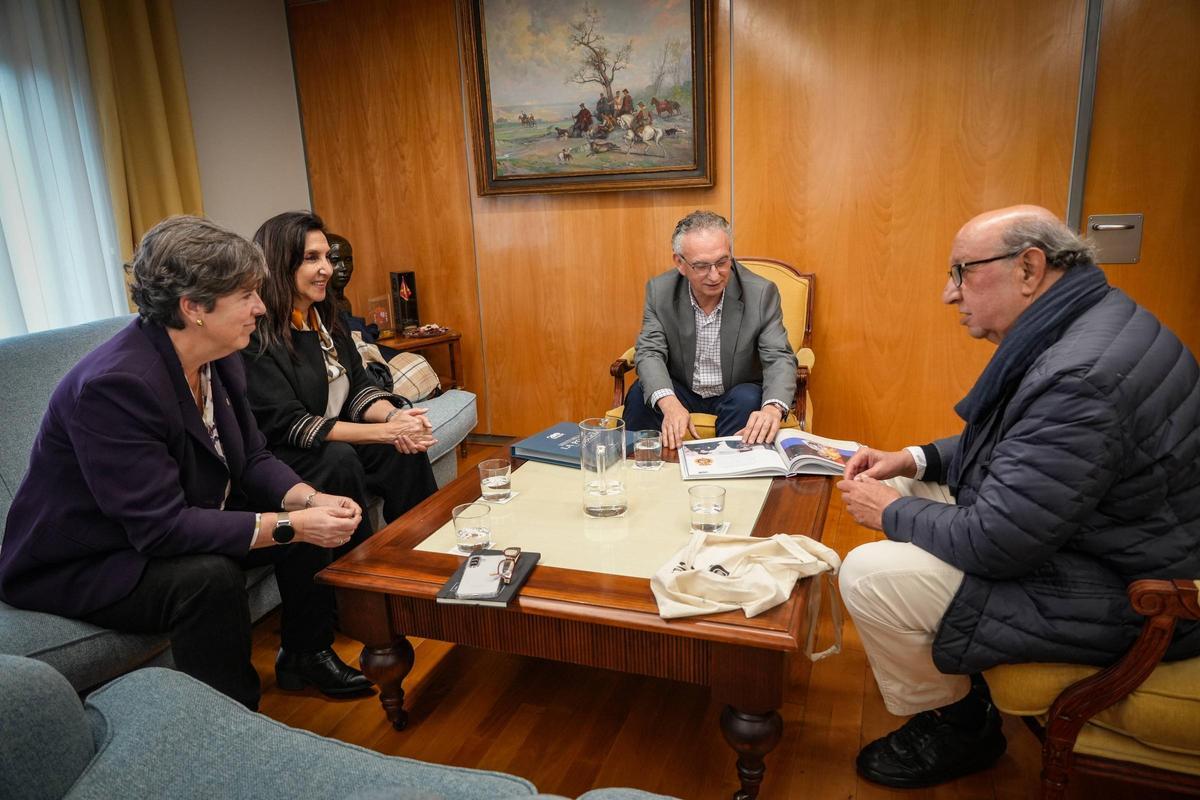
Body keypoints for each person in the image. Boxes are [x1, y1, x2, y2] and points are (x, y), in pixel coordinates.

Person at [836, 205, 1200, 788]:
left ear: (1029, 268)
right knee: (897, 484)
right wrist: (913, 459)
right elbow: (1025, 443)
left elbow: (999, 544)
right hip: (1103, 543)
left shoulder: (1081, 375)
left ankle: (959, 725)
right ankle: (961, 681)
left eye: (961, 272)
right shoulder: (1087, 323)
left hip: (1138, 593)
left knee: (869, 573)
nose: (948, 295)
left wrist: (892, 513)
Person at [0, 215, 373, 710]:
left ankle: (306, 652)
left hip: (172, 521)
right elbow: (160, 530)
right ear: (193, 307)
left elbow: (253, 458)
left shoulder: (218, 354)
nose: (261, 307)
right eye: (246, 295)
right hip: (93, 559)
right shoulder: (117, 387)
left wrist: (311, 500)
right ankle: (229, 721)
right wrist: (291, 525)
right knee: (209, 576)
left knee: (319, 479)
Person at [244, 211, 438, 549]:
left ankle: (427, 548)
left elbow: (360, 387)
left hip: (332, 438)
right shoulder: (254, 336)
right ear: (279, 264)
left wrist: (395, 419)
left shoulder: (326, 316)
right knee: (339, 459)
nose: (327, 269)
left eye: (327, 258)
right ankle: (359, 573)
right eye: (311, 258)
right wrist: (383, 432)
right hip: (285, 455)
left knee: (401, 449)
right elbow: (293, 424)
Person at [622, 210, 797, 449]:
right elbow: (650, 351)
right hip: (682, 387)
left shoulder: (760, 293)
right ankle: (643, 476)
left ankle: (732, 474)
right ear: (680, 263)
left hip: (735, 391)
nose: (715, 275)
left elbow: (779, 357)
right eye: (702, 266)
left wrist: (772, 408)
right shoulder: (660, 291)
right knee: (640, 395)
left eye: (722, 262)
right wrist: (670, 403)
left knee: (749, 398)